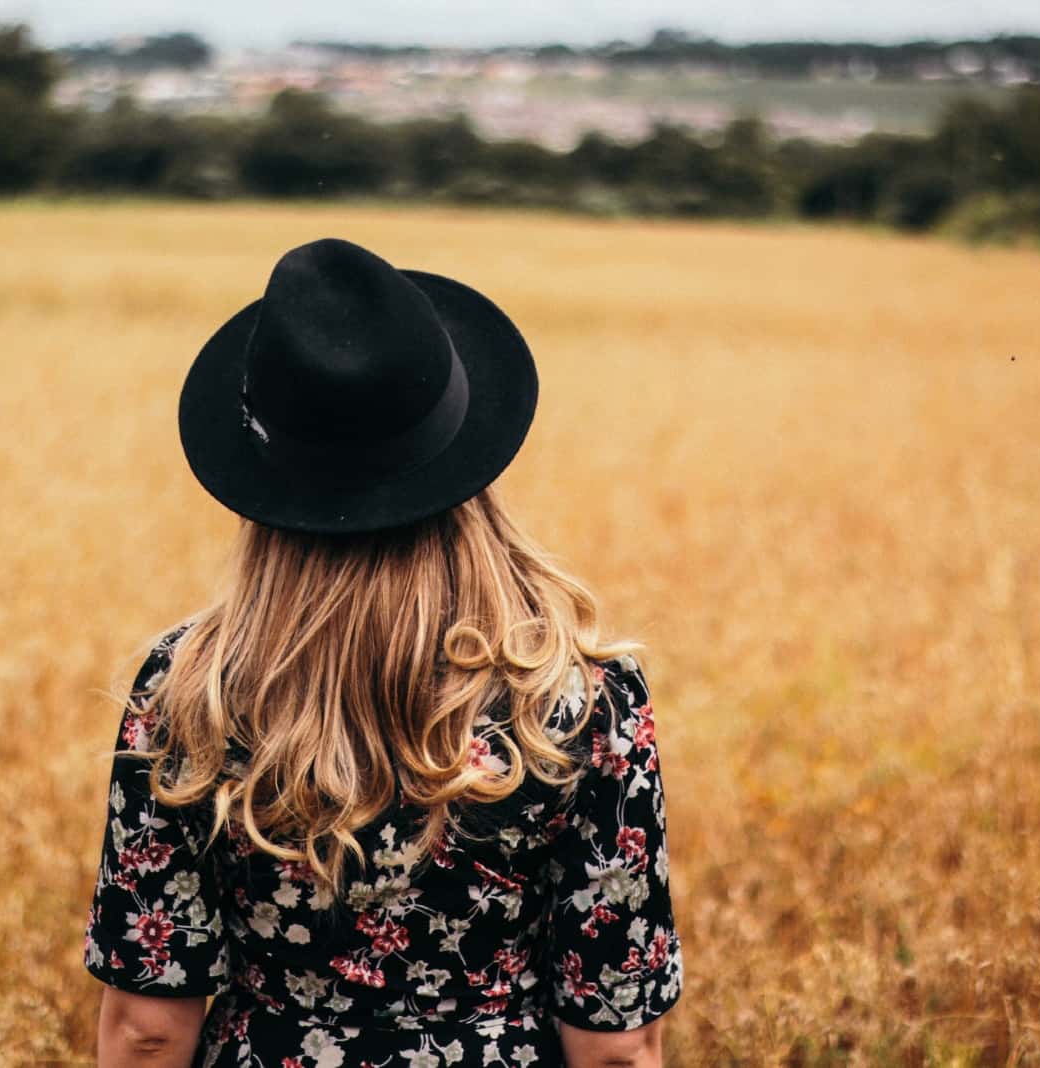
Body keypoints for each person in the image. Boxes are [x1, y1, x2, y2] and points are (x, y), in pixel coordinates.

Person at [83, 238, 683, 1068]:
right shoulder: (581, 697)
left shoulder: (191, 688)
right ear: (465, 448)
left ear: (265, 471)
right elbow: (616, 1044)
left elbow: (148, 1027)